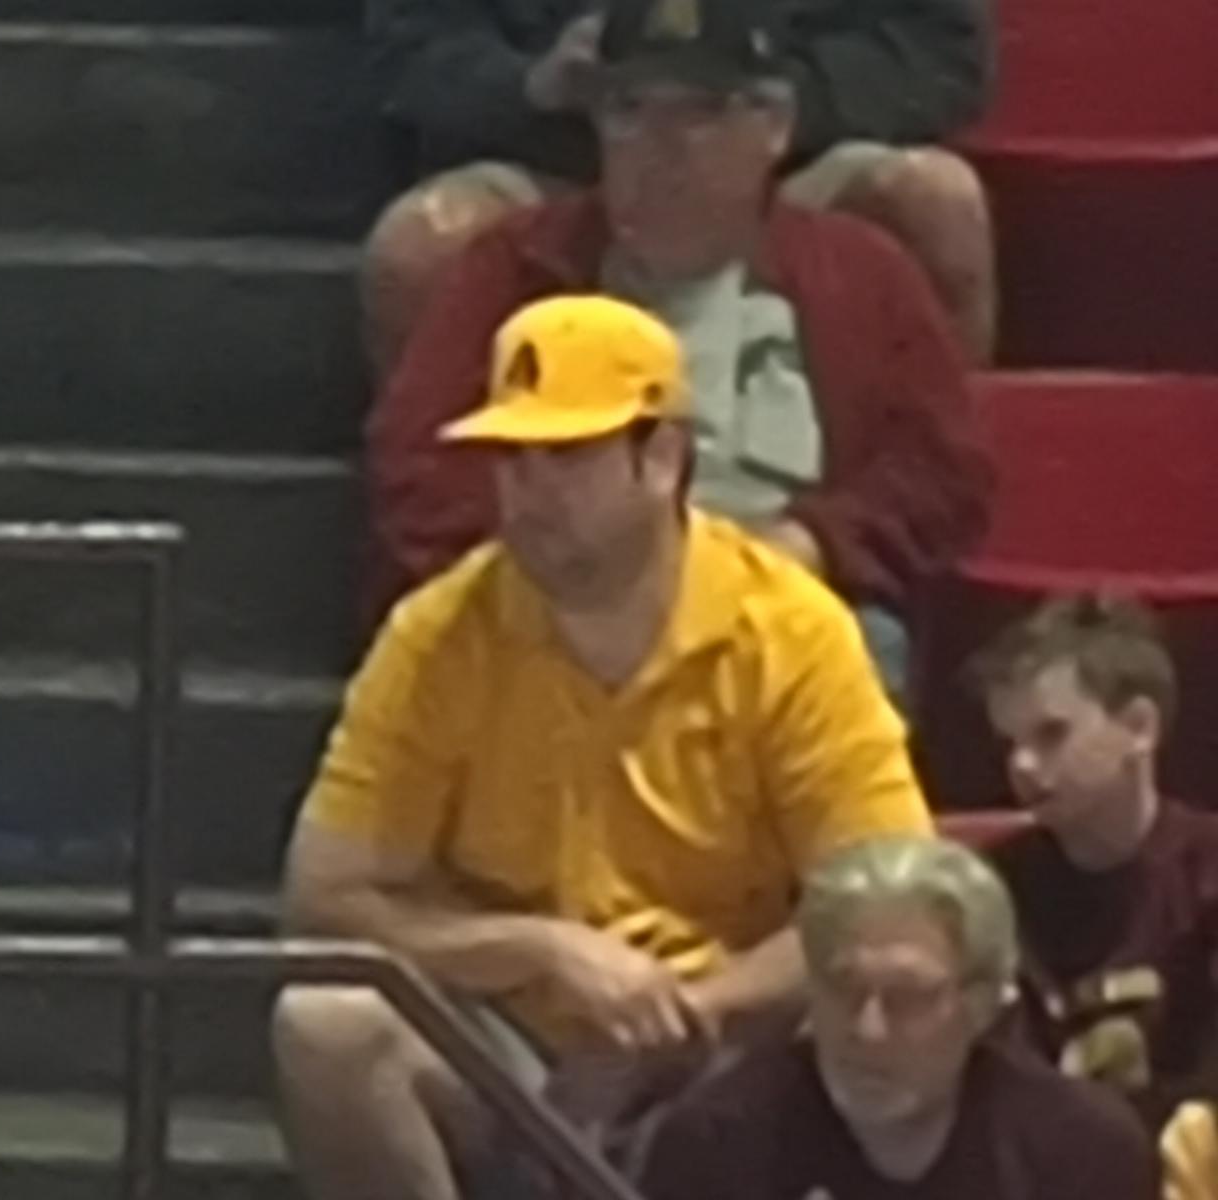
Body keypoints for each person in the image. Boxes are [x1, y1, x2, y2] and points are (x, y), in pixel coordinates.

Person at [272, 294, 933, 1200]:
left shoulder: (792, 633)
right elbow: (324, 899)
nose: (530, 492)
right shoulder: (438, 633)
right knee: (326, 1027)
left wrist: (685, 1012)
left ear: (661, 457)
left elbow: (884, 903)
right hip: (506, 1046)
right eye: (512, 460)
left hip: (727, 1053)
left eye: (568, 456)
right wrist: (537, 952)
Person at [364, 0, 993, 701]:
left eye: (702, 113)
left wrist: (816, 543)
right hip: (563, 608)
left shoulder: (859, 274)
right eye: (630, 111)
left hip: (784, 602)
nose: (663, 146)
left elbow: (941, 473)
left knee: (862, 653)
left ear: (772, 125)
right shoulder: (512, 271)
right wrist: (553, 565)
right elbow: (420, 466)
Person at [363, 0, 997, 368]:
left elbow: (942, 52)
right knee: (418, 249)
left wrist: (761, 104)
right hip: (562, 165)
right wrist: (531, 85)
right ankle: (465, 551)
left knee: (934, 202)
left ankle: (916, 535)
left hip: (789, 165)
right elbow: (408, 49)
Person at [637, 835, 1160, 1200]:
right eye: (842, 988)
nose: (867, 1029)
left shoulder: (1083, 1152)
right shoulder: (713, 1145)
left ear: (982, 1006)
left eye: (907, 998)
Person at [969, 594, 1218, 1135]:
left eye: (1052, 734)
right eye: (1010, 742)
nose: (1022, 764)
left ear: (1139, 727)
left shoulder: (1206, 874)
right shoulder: (985, 887)